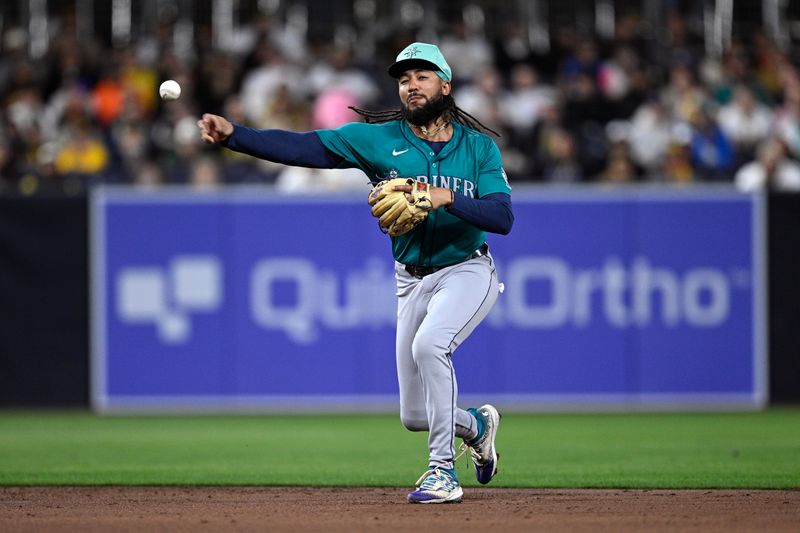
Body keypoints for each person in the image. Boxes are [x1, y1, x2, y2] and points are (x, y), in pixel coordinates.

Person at [197, 42, 513, 504]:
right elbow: (306, 147)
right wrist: (234, 136)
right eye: (404, 79)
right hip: (411, 278)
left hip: (468, 269)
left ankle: (441, 471)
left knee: (431, 344)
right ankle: (478, 426)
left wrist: (445, 197)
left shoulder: (479, 148)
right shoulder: (378, 140)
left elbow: (502, 217)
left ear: (445, 85)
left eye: (422, 76)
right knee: (413, 413)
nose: (411, 85)